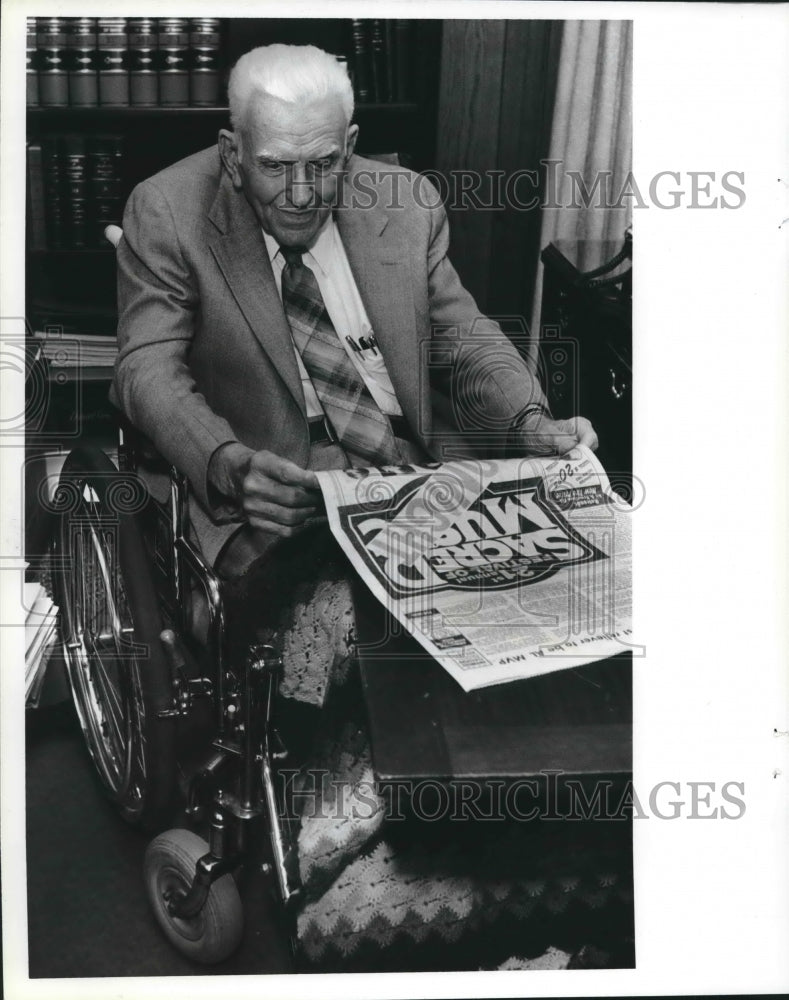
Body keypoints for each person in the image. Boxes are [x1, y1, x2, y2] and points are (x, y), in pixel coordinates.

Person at [112, 43, 597, 578]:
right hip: (277, 484)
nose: (300, 194)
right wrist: (227, 463)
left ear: (350, 147)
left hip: (413, 462)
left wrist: (529, 422)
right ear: (233, 155)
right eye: (274, 166)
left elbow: (467, 340)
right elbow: (148, 367)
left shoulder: (407, 203)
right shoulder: (168, 211)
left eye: (321, 164)